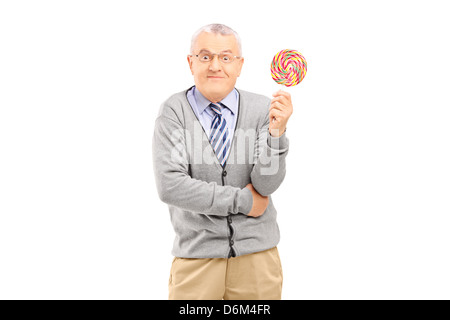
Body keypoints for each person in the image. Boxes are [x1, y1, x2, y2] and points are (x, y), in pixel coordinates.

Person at [152, 23, 293, 300]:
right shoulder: (174, 112)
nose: (215, 65)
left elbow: (266, 184)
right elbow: (171, 186)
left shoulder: (263, 109)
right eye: (205, 56)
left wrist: (277, 134)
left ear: (239, 65)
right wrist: (243, 201)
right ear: (190, 62)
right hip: (197, 261)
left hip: (257, 260)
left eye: (226, 57)